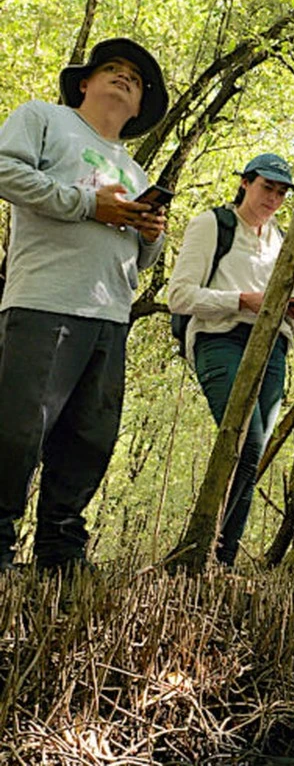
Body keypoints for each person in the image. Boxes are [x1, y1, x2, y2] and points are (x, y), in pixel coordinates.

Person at [0, 38, 169, 573]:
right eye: (112, 69)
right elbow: (4, 170)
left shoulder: (137, 172)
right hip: (44, 301)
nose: (124, 78)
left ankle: (61, 551)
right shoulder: (44, 119)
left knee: (89, 441)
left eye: (135, 79)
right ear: (84, 83)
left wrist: (150, 231)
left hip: (111, 316)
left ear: (140, 106)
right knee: (18, 431)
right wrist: (85, 204)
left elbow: (142, 261)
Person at [166, 153, 294, 567]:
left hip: (272, 348)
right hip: (220, 339)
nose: (274, 198)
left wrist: (291, 315)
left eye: (282, 192)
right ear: (245, 183)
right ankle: (203, 551)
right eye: (267, 187)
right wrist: (243, 301)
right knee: (241, 442)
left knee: (255, 450)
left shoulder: (283, 240)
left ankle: (219, 559)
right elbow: (179, 295)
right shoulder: (212, 224)